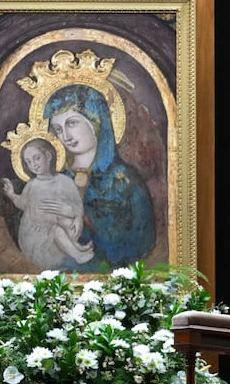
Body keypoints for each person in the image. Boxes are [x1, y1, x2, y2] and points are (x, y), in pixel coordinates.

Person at [43, 83, 155, 271]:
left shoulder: (124, 180)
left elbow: (142, 240)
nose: (65, 136)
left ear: (96, 121)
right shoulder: (55, 179)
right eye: (58, 129)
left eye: (72, 123)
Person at [1, 138, 95, 269]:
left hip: (59, 230)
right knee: (57, 230)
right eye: (28, 162)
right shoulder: (32, 185)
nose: (33, 164)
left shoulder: (65, 181)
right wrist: (12, 195)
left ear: (48, 156)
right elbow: (23, 204)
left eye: (36, 158)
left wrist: (77, 217)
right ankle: (77, 255)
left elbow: (77, 205)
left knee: (66, 222)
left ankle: (76, 246)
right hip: (35, 235)